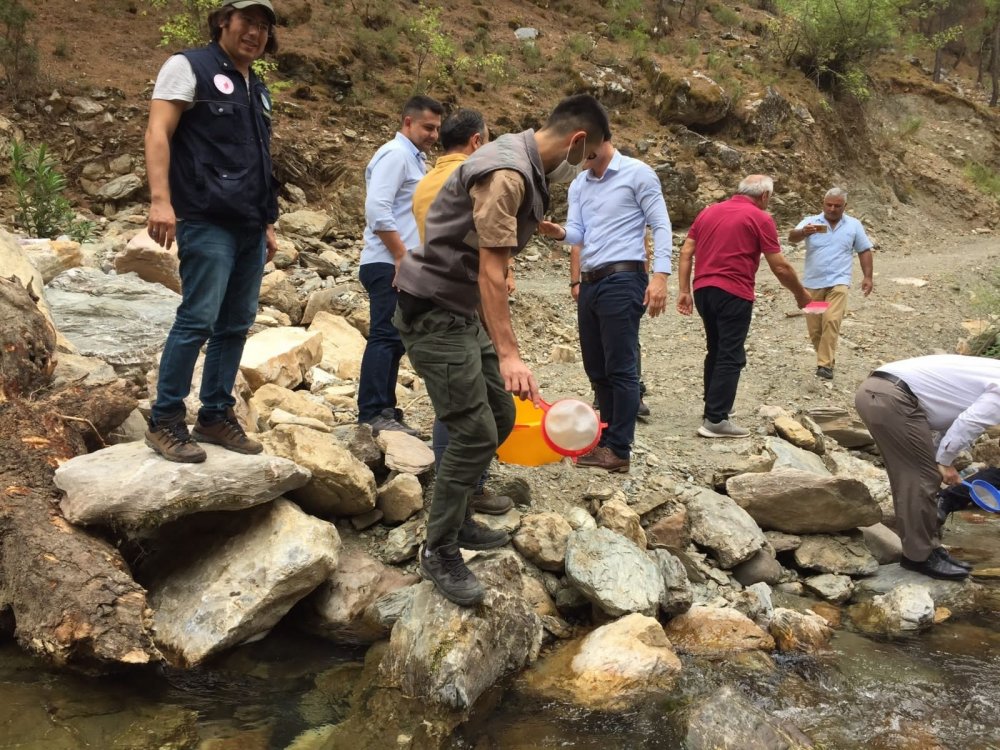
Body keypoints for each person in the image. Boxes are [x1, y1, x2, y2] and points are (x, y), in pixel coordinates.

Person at [393, 94, 611, 605]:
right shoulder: (509, 172)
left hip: (460, 309)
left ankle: (460, 511)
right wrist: (511, 354)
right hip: (434, 310)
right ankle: (438, 549)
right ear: (577, 140)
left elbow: (491, 240)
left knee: (499, 412)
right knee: (473, 432)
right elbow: (493, 271)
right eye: (588, 156)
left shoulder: (520, 159)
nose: (582, 167)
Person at [143, 0, 280, 463]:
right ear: (224, 20)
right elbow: (158, 131)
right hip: (205, 217)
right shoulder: (188, 67)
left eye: (263, 27)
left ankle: (215, 413)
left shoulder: (255, 85)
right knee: (197, 318)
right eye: (247, 22)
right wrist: (161, 201)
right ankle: (164, 419)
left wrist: (267, 222)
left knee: (236, 323)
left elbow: (257, 158)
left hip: (248, 224)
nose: (255, 33)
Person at [539, 140, 671, 472]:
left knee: (621, 367)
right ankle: (606, 440)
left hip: (624, 277)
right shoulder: (580, 183)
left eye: (578, 154)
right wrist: (559, 232)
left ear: (595, 142)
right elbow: (579, 232)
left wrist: (661, 276)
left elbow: (661, 224)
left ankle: (619, 449)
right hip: (591, 281)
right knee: (596, 367)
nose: (576, 162)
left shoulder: (637, 174)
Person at [412, 107, 513, 516]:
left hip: (436, 297)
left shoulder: (425, 182)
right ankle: (467, 489)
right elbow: (487, 246)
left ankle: (457, 485)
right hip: (464, 302)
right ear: (476, 142)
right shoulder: (471, 180)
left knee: (452, 401)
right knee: (471, 403)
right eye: (486, 140)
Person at [677, 175, 811, 438]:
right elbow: (780, 266)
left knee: (716, 349)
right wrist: (801, 295)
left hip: (703, 289)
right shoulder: (760, 218)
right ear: (764, 197)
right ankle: (716, 419)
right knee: (730, 353)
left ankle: (713, 406)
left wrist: (684, 290)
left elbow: (685, 251)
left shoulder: (709, 212)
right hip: (734, 291)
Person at [854, 354, 1000, 580]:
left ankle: (929, 549)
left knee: (919, 474)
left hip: (882, 392)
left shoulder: (991, 372)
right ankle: (918, 558)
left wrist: (940, 457)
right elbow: (969, 422)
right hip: (892, 397)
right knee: (919, 477)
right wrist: (945, 461)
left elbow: (952, 419)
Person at [358, 94, 443, 436]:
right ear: (407, 122)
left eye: (437, 129)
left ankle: (386, 410)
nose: (433, 135)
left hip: (397, 260)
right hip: (387, 261)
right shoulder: (395, 155)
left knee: (395, 337)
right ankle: (372, 412)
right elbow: (377, 209)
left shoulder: (414, 159)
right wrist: (401, 257)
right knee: (384, 334)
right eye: (427, 127)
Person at [788, 187, 874, 380]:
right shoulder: (811, 222)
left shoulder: (853, 225)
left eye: (837, 206)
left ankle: (824, 365)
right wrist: (803, 232)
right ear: (823, 203)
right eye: (829, 204)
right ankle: (826, 360)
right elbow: (791, 238)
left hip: (839, 283)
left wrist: (868, 277)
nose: (832, 209)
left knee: (832, 319)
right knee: (816, 328)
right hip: (813, 284)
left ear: (845, 206)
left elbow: (864, 250)